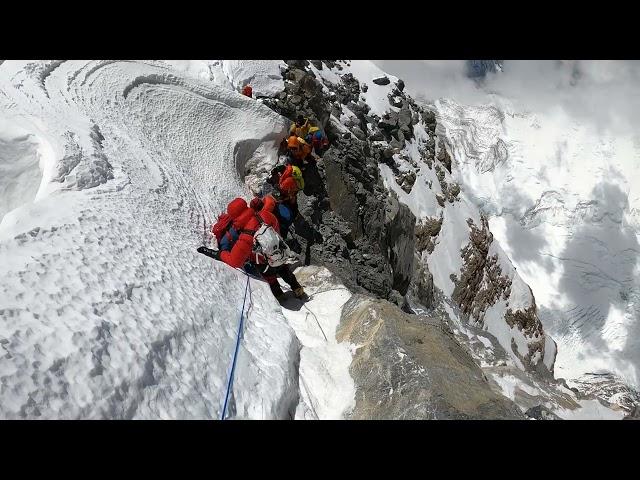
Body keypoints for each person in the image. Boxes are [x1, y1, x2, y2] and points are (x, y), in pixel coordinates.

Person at [198, 197, 306, 301]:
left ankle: (281, 298)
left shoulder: (246, 236)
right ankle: (297, 289)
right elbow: (277, 228)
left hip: (264, 264)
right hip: (279, 253)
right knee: (284, 270)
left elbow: (234, 261)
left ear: (234, 216)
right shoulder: (266, 215)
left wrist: (218, 254)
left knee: (271, 278)